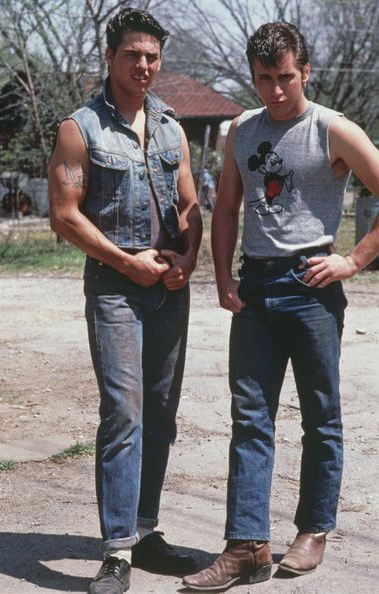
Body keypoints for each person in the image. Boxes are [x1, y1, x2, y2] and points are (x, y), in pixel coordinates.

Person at [183, 21, 379, 591]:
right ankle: (246, 544)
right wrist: (222, 276)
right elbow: (224, 208)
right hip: (256, 287)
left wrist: (352, 261)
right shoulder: (241, 130)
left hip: (312, 286)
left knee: (321, 415)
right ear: (253, 75)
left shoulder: (332, 128)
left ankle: (313, 530)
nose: (275, 90)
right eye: (264, 78)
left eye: (285, 78)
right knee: (249, 419)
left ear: (306, 71)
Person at [49, 7, 202, 594]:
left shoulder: (170, 125)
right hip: (116, 287)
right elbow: (63, 215)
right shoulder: (79, 126)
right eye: (133, 54)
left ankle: (144, 532)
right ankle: (116, 550)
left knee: (160, 413)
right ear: (110, 57)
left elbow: (189, 204)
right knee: (124, 414)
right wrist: (124, 262)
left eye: (152, 56)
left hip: (167, 286)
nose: (143, 65)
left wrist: (186, 261)